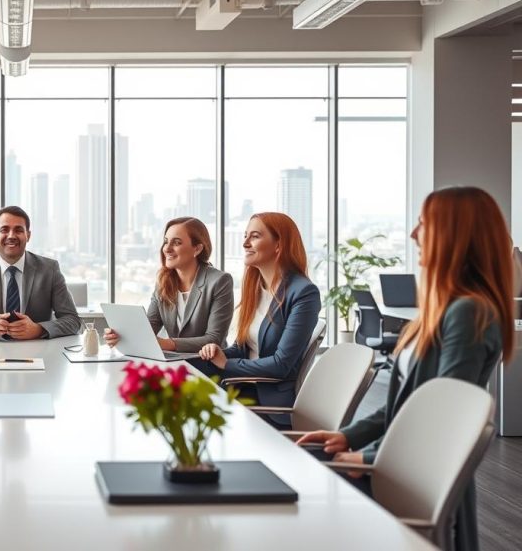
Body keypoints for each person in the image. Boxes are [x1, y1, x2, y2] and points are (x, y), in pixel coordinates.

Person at [299, 186, 514, 551]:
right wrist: (351, 436)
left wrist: (370, 457)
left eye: (423, 224)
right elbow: (406, 402)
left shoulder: (469, 313)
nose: (414, 234)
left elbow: (441, 418)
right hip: (400, 467)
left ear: (454, 237)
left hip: (414, 478)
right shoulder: (441, 310)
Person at [195, 212, 322, 425]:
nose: (245, 243)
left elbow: (281, 364)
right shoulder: (256, 288)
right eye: (245, 236)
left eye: (254, 236)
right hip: (241, 386)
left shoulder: (303, 293)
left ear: (278, 245)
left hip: (267, 401)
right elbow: (243, 348)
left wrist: (227, 364)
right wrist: (217, 353)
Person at [104, 217, 234, 352]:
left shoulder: (220, 281)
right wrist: (123, 336)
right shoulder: (163, 282)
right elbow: (150, 327)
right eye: (166, 242)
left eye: (176, 243)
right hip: (172, 362)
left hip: (206, 363)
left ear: (197, 249)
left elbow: (214, 338)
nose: (167, 249)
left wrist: (166, 344)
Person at [0, 205, 81, 340]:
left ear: (28, 235)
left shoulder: (49, 269)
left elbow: (73, 321)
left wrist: (38, 330)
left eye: (18, 230)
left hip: (39, 352)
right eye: (4, 230)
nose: (11, 236)